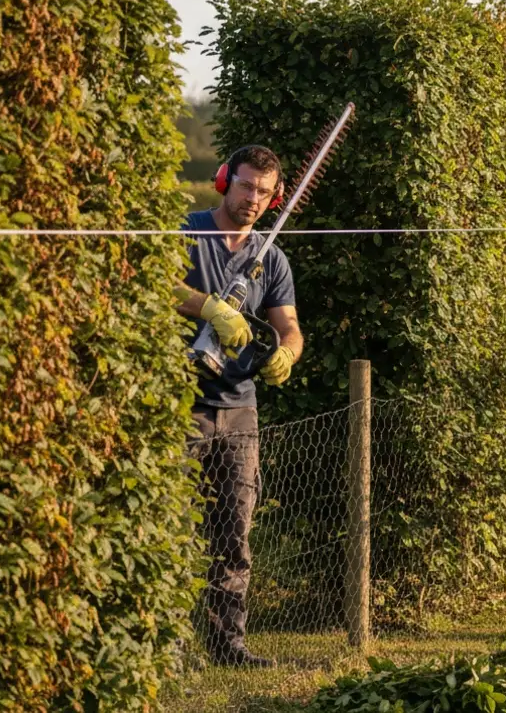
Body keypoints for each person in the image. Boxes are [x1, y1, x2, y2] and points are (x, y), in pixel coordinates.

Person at [175, 144, 303, 668]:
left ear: (274, 200)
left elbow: (288, 324)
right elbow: (156, 280)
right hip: (182, 402)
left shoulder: (270, 257)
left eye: (264, 192)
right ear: (226, 179)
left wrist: (287, 354)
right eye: (246, 185)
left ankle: (228, 644)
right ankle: (167, 644)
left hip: (240, 407)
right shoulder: (187, 231)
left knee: (234, 534)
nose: (252, 198)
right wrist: (207, 306)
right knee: (173, 526)